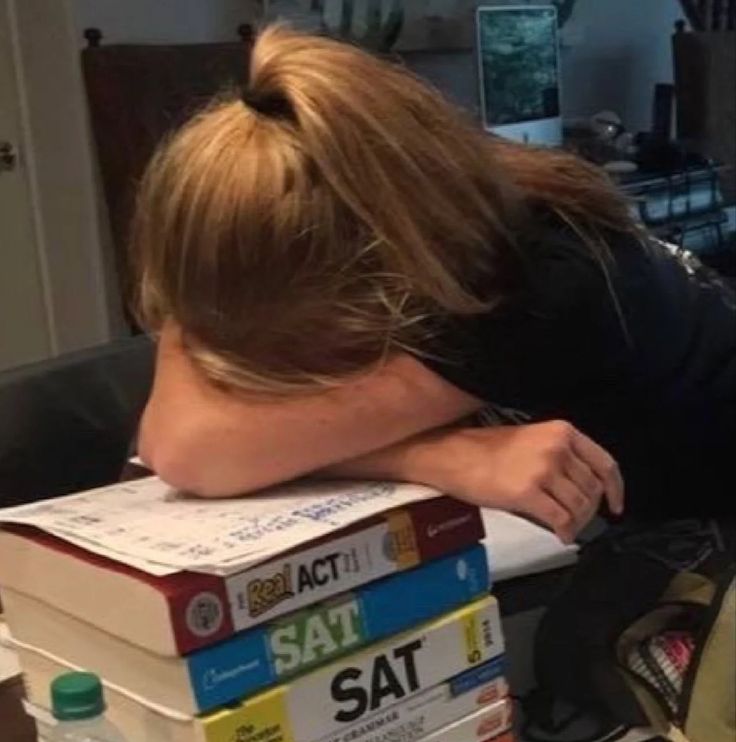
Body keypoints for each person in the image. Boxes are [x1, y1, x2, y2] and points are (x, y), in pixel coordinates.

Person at [135, 26, 735, 544]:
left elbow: (190, 452)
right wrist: (437, 456)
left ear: (368, 277)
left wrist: (399, 453)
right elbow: (177, 437)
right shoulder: (442, 216)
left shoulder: (532, 284)